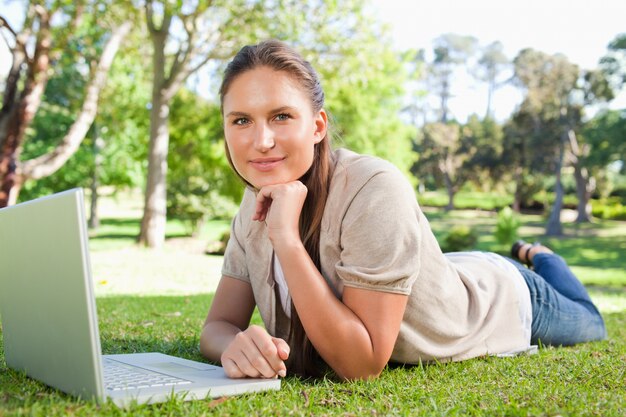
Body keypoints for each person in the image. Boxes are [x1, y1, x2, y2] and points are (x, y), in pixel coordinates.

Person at [199, 39, 607, 380]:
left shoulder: (373, 186)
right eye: (240, 121)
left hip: (504, 297)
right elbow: (217, 327)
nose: (262, 140)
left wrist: (286, 239)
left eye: (281, 116)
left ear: (318, 126)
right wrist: (236, 345)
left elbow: (362, 364)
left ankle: (543, 258)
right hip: (449, 273)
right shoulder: (256, 201)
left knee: (592, 323)